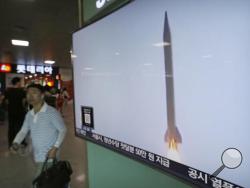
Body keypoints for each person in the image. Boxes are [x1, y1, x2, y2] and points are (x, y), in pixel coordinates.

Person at [10, 84, 67, 182]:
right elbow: (23, 131)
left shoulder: (51, 112)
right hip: (36, 153)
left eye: (34, 93)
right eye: (28, 93)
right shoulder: (29, 114)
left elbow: (63, 130)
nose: (30, 96)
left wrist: (55, 148)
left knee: (40, 182)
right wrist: (15, 143)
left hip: (49, 155)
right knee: (49, 181)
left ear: (42, 95)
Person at [4, 77, 27, 148]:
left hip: (11, 112)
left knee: (11, 127)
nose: (20, 83)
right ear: (17, 82)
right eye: (20, 82)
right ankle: (22, 142)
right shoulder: (22, 91)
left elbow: (6, 101)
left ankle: (11, 143)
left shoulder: (8, 91)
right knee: (21, 127)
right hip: (20, 111)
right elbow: (24, 102)